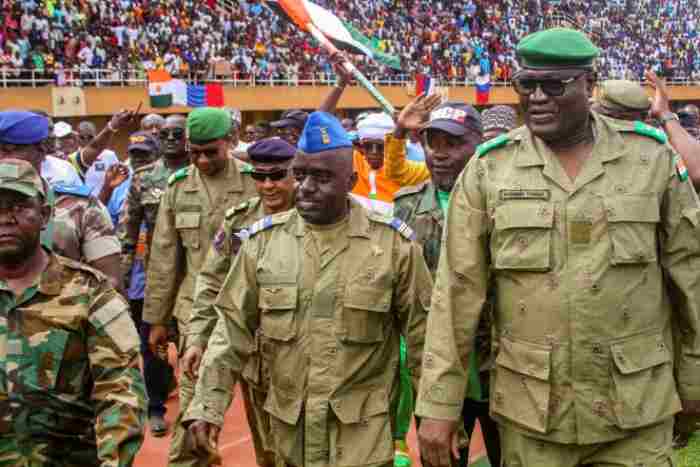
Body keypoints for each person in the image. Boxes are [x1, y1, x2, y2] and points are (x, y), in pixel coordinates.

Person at [417, 27, 700, 467]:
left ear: (589, 85)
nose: (537, 98)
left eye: (554, 85)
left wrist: (695, 382)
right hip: (534, 417)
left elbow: (690, 277)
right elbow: (455, 293)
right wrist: (439, 403)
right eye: (526, 85)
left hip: (636, 411)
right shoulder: (490, 170)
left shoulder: (651, 160)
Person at [184, 111, 432, 467]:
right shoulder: (262, 245)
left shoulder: (393, 247)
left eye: (321, 177)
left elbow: (425, 340)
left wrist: (437, 414)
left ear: (350, 179)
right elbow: (230, 332)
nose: (305, 187)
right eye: (299, 175)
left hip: (361, 437)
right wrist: (207, 406)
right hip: (289, 434)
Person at [0, 158, 146, 466]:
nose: (5, 218)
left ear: (45, 216)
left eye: (18, 206)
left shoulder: (91, 294)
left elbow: (120, 389)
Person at [144, 107, 257, 466]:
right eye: (195, 152)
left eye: (212, 151)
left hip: (255, 313)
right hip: (199, 317)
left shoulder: (257, 182)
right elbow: (164, 257)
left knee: (269, 413)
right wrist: (157, 319)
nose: (203, 160)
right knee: (195, 413)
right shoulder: (178, 188)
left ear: (230, 142)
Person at [393, 102, 500, 467]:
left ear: (478, 143)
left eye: (452, 144)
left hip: (501, 368)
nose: (439, 154)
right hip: (434, 373)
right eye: (432, 143)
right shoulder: (405, 208)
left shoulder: (506, 201)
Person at [183, 138, 297, 467]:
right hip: (256, 359)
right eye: (259, 177)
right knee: (269, 453)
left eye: (277, 176)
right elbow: (211, 282)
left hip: (304, 355)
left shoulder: (314, 216)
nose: (267, 185)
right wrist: (197, 338)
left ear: (295, 175)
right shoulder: (239, 221)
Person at [117, 115, 190, 437]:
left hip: (195, 277)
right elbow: (128, 231)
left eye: (178, 133)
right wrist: (120, 277)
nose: (171, 138)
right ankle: (156, 407)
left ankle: (194, 411)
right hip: (156, 277)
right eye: (165, 134)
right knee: (154, 347)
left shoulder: (200, 172)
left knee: (193, 345)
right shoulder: (143, 179)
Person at [0, 111, 123, 290]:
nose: (2, 159)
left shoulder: (80, 207)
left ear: (41, 149)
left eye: (9, 150)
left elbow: (111, 283)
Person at [76, 120, 121, 196]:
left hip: (104, 202)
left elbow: (117, 179)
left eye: (90, 137)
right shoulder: (73, 157)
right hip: (81, 202)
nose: (86, 140)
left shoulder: (109, 155)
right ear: (77, 137)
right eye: (82, 137)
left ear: (96, 136)